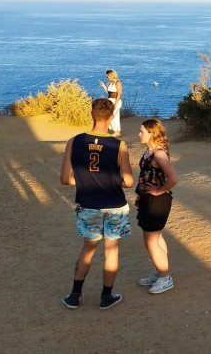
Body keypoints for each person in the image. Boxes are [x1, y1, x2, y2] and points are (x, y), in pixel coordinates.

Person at [60, 98, 135, 310]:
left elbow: (65, 179)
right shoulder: (119, 146)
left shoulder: (74, 142)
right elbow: (128, 182)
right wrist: (110, 180)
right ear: (111, 117)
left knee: (88, 249)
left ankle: (75, 295)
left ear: (91, 114)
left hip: (88, 204)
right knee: (111, 250)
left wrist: (85, 180)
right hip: (115, 205)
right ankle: (106, 297)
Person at [135, 119, 179, 294]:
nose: (139, 134)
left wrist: (159, 191)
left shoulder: (159, 154)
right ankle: (161, 272)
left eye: (142, 131)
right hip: (148, 200)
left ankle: (165, 278)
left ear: (152, 133)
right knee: (156, 237)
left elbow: (173, 178)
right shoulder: (150, 150)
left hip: (157, 202)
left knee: (150, 240)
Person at [98, 69, 123, 137]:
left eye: (107, 76)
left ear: (111, 75)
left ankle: (117, 131)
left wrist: (115, 104)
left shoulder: (118, 83)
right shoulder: (110, 83)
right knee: (113, 116)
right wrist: (103, 85)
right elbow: (109, 93)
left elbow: (119, 94)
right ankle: (116, 131)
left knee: (111, 116)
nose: (107, 78)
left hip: (116, 101)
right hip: (110, 101)